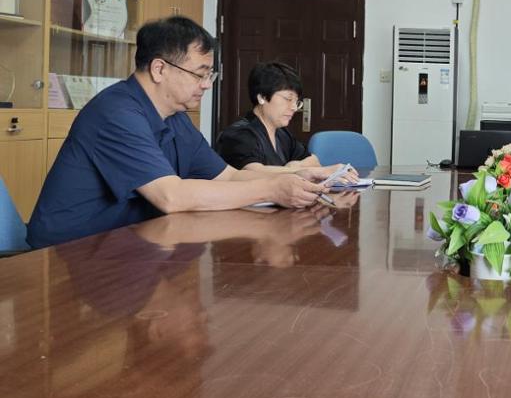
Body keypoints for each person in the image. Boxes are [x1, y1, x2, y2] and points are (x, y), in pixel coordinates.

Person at [27, 16, 336, 249]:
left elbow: (227, 176)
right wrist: (271, 190)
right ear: (159, 69)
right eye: (200, 74)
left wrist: (294, 178)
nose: (206, 85)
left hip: (127, 245)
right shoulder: (116, 113)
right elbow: (170, 196)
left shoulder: (175, 116)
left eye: (210, 75)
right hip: (69, 253)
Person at [215, 63, 358, 185]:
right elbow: (253, 173)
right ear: (262, 97)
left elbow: (313, 160)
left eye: (296, 102)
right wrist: (303, 172)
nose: (294, 108)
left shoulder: (282, 133)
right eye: (288, 99)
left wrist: (295, 165)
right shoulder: (239, 134)